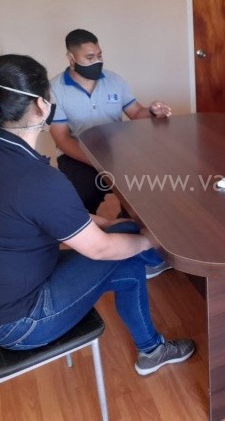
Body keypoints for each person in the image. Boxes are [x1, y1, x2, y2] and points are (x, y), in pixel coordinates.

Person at [0, 54, 195, 377]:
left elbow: (54, 217)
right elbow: (100, 248)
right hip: (20, 324)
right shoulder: (36, 178)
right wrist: (150, 239)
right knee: (128, 245)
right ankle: (165, 267)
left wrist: (113, 225)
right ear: (42, 105)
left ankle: (152, 347)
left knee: (128, 251)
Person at [49, 28, 171, 279]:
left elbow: (136, 113)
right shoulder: (55, 89)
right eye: (89, 57)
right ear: (71, 59)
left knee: (143, 191)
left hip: (119, 153)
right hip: (78, 155)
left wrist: (152, 112)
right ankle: (88, 251)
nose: (97, 61)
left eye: (99, 55)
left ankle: (132, 238)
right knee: (81, 198)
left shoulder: (115, 80)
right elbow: (62, 138)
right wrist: (96, 163)